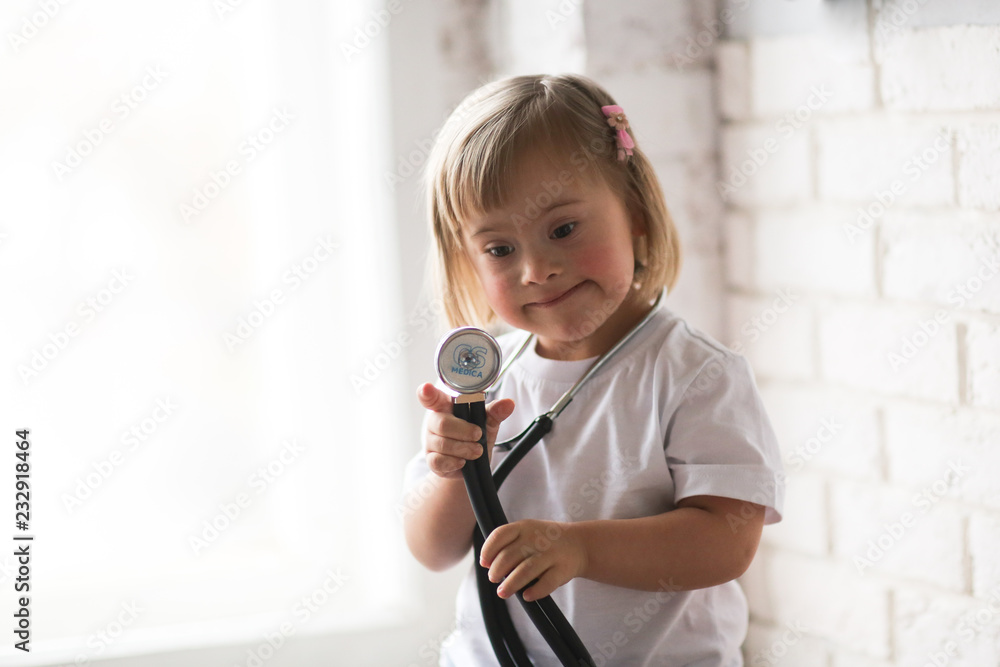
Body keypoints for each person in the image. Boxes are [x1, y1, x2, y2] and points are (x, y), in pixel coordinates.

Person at [401, 73, 785, 666]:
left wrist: (577, 549)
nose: (537, 269)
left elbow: (727, 540)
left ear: (633, 210)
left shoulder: (694, 373)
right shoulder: (485, 384)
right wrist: (452, 470)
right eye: (500, 249)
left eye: (563, 229)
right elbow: (431, 548)